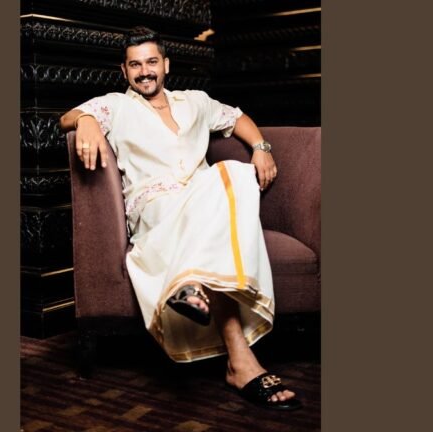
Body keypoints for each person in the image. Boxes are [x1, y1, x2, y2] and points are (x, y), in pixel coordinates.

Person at [60, 26, 301, 411]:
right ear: (124, 71)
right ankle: (240, 361)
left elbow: (237, 117)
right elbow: (67, 117)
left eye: (152, 62)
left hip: (204, 202)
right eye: (135, 65)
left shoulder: (195, 102)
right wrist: (87, 120)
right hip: (157, 209)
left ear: (166, 65)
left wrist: (261, 147)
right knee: (226, 183)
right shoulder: (116, 106)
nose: (144, 72)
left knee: (233, 174)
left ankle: (191, 289)